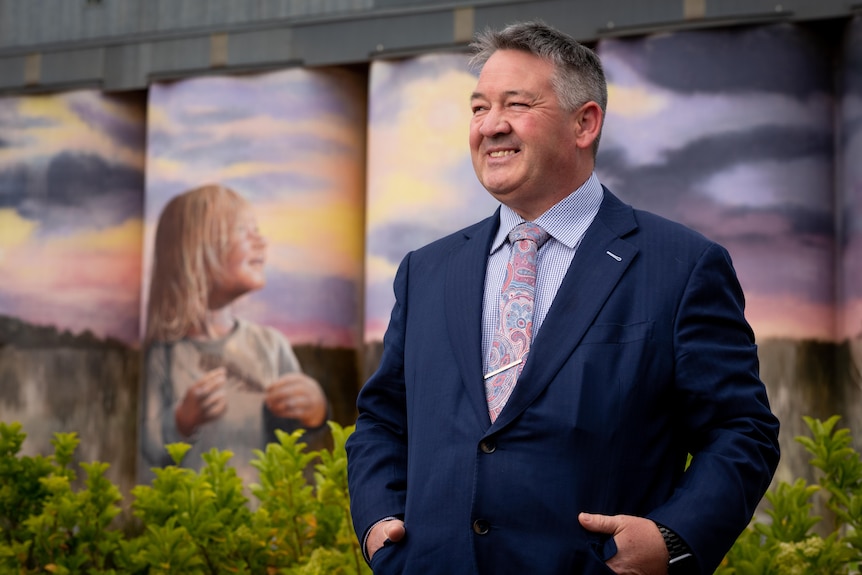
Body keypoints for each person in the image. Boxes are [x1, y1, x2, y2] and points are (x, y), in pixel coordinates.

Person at [345, 21, 780, 575]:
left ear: (585, 123)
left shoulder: (682, 265)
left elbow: (742, 430)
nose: (491, 126)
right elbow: (383, 420)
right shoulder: (426, 271)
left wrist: (672, 538)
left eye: (516, 104)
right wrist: (379, 526)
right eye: (478, 109)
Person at [139, 183, 330, 487]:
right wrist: (182, 420)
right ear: (196, 249)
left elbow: (292, 437)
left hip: (261, 524)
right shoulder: (165, 355)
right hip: (192, 522)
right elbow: (149, 449)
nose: (261, 241)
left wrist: (315, 411)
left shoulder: (270, 345)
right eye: (244, 230)